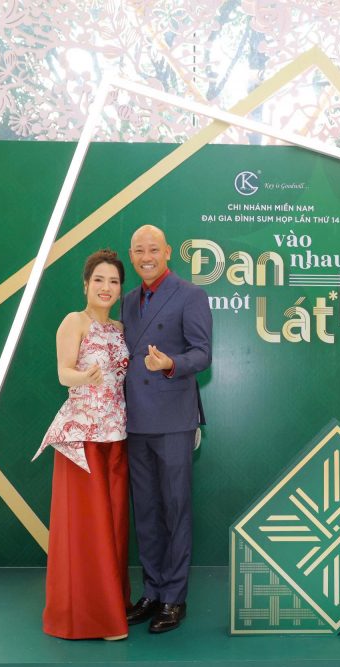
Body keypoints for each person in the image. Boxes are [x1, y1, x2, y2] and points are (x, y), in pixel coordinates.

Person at [33, 248, 131, 640]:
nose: (106, 287)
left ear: (120, 288)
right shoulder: (74, 322)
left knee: (113, 527)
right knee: (87, 528)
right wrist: (83, 377)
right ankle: (92, 617)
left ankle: (111, 606)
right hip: (82, 439)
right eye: (99, 280)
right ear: (86, 285)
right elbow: (62, 373)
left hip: (116, 436)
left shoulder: (121, 329)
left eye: (114, 281)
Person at [122, 224, 212, 634]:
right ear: (132, 255)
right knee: (146, 511)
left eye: (153, 249)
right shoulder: (127, 301)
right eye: (139, 250)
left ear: (168, 252)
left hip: (174, 418)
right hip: (135, 421)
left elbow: (202, 353)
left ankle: (175, 597)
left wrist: (171, 363)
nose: (147, 257)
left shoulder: (191, 295)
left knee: (175, 508)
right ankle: (153, 591)